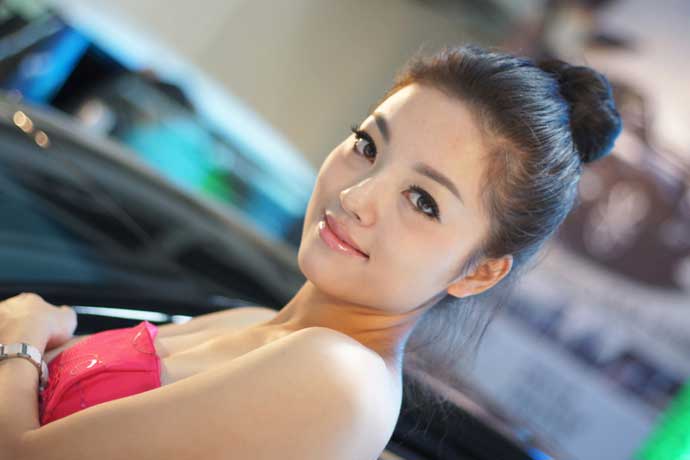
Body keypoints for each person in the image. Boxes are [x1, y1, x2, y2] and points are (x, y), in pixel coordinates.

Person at [0, 43, 622, 460]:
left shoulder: (340, 380)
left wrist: (22, 336)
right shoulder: (255, 324)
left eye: (423, 200)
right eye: (367, 146)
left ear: (479, 272)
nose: (357, 196)